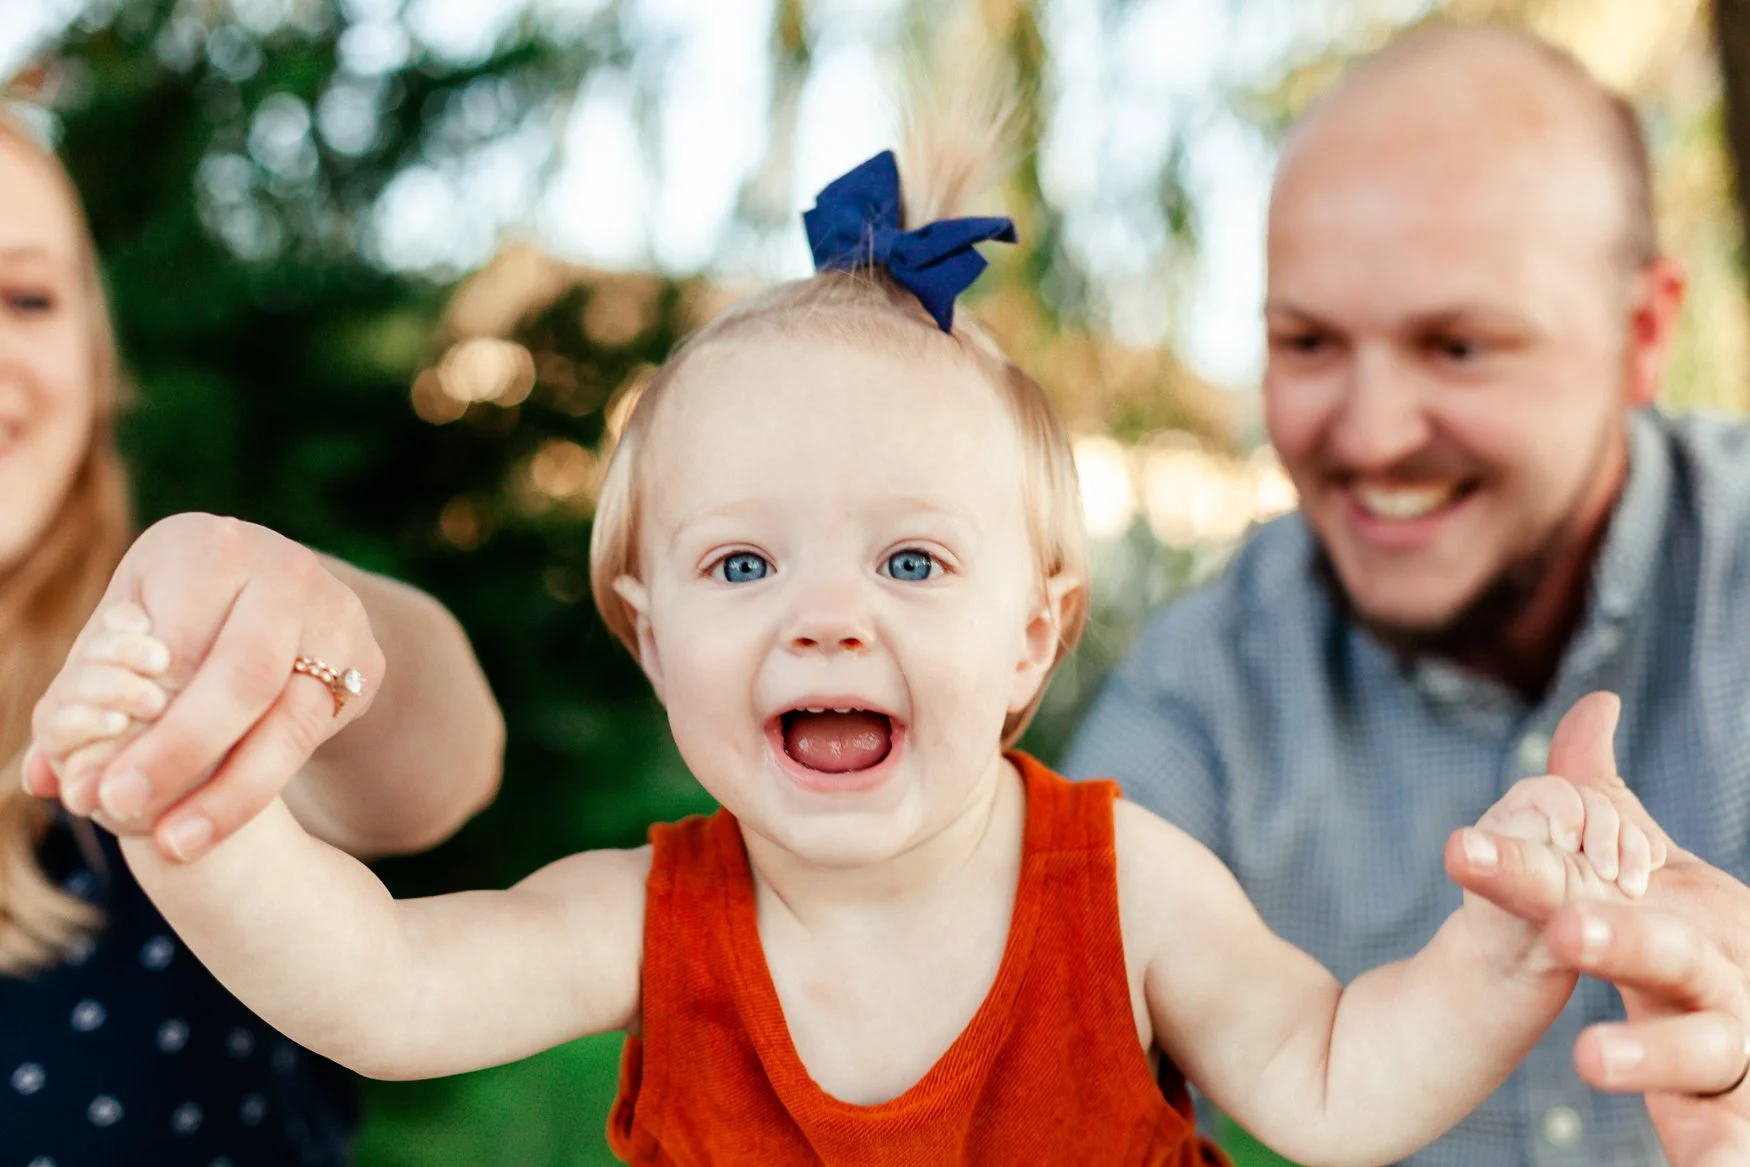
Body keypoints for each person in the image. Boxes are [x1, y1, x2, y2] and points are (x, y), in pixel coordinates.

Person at [38, 116, 1660, 1167]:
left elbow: (1328, 1073)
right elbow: (382, 985)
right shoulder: (654, 916)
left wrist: (1504, 950)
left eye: (909, 558)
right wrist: (193, 815)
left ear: (1034, 640)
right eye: (744, 560)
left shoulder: (1122, 888)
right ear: (652, 638)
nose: (830, 612)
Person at [1065, 23, 1750, 1166]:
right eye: (1310, 342)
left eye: (1460, 347)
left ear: (1641, 334)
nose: (1374, 439)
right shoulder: (1203, 699)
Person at [0, 106, 504, 1165]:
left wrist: (316, 629)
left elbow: (440, 770)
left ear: (96, 363)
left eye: (28, 296)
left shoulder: (159, 661)